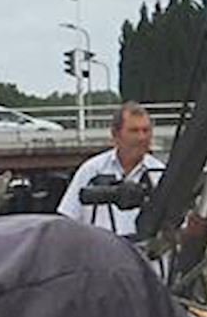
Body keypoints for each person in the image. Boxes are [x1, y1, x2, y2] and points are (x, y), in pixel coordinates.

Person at [57, 101, 166, 238]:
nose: (141, 137)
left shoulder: (160, 173)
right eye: (134, 131)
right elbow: (67, 221)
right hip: (102, 255)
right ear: (115, 134)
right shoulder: (91, 171)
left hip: (144, 257)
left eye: (146, 130)